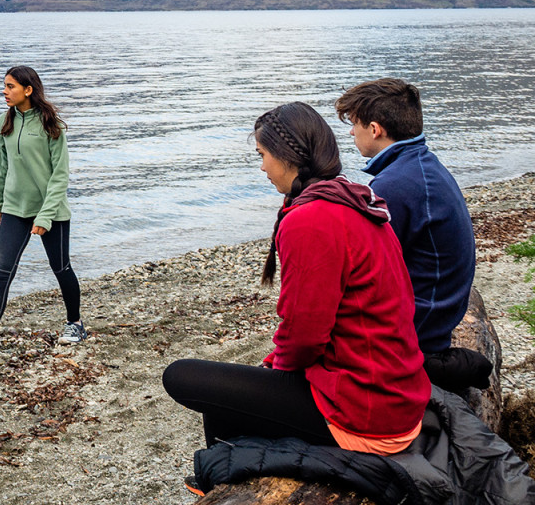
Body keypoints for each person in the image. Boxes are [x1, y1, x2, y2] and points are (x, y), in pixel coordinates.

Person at [163, 103, 430, 466]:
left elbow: (305, 335)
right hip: (397, 392)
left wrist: (275, 371)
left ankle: (227, 472)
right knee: (246, 382)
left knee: (182, 377)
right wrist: (274, 367)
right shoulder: (354, 198)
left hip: (368, 412)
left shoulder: (311, 218)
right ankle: (229, 467)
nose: (261, 168)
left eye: (262, 155)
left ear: (288, 156)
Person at [0, 65, 86, 368]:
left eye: (10, 86)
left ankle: (75, 323)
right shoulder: (4, 122)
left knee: (61, 268)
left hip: (51, 211)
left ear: (28, 90)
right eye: (4, 86)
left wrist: (46, 216)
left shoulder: (52, 126)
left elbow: (60, 177)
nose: (4, 91)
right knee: (1, 272)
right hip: (14, 209)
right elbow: (3, 167)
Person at [334, 78, 476, 357]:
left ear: (375, 129)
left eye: (354, 124)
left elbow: (362, 271)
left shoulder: (394, 186)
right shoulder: (422, 165)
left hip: (420, 333)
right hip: (438, 316)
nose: (351, 132)